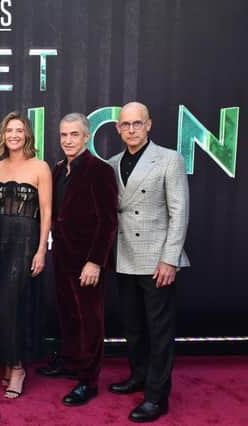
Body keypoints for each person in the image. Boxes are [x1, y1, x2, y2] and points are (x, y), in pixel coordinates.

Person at [107, 102, 190, 422]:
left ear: (149, 125)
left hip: (156, 259)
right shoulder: (113, 163)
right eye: (125, 125)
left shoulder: (169, 159)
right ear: (117, 128)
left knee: (158, 331)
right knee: (133, 328)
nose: (131, 129)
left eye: (137, 124)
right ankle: (138, 376)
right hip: (124, 257)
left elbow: (179, 212)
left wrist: (170, 259)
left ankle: (157, 397)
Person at [37, 113, 118, 406]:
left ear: (86, 137)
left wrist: (96, 261)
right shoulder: (59, 170)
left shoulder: (100, 171)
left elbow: (108, 221)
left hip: (87, 261)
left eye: (74, 135)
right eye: (63, 135)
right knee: (68, 313)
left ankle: (89, 380)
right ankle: (70, 362)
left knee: (90, 320)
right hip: (62, 256)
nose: (68, 140)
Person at [0, 111, 52, 399]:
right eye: (9, 130)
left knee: (13, 303)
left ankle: (19, 367)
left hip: (26, 240)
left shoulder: (40, 167)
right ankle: (8, 361)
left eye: (19, 130)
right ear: (3, 135)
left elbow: (47, 211)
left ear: (27, 135)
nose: (14, 135)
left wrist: (41, 250)